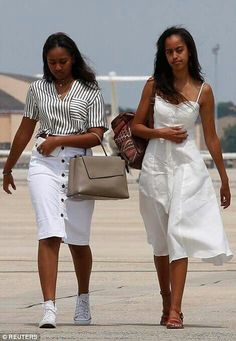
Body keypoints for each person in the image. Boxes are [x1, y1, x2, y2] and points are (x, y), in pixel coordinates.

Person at [2, 32, 108, 328]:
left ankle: (83, 298)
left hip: (79, 166)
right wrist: (8, 167)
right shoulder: (37, 88)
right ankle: (48, 307)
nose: (57, 67)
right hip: (43, 164)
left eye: (62, 61)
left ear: (73, 58)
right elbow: (25, 130)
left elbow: (97, 133)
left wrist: (60, 138)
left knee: (78, 238)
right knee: (48, 233)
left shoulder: (90, 89)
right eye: (52, 63)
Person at [131, 26, 233, 329]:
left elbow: (212, 138)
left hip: (188, 169)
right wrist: (160, 132)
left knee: (177, 234)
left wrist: (224, 179)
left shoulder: (204, 91)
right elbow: (136, 126)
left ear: (189, 52)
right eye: (169, 51)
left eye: (179, 50)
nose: (174, 56)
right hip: (155, 169)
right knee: (160, 242)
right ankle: (165, 303)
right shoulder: (153, 86)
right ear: (164, 55)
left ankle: (176, 310)